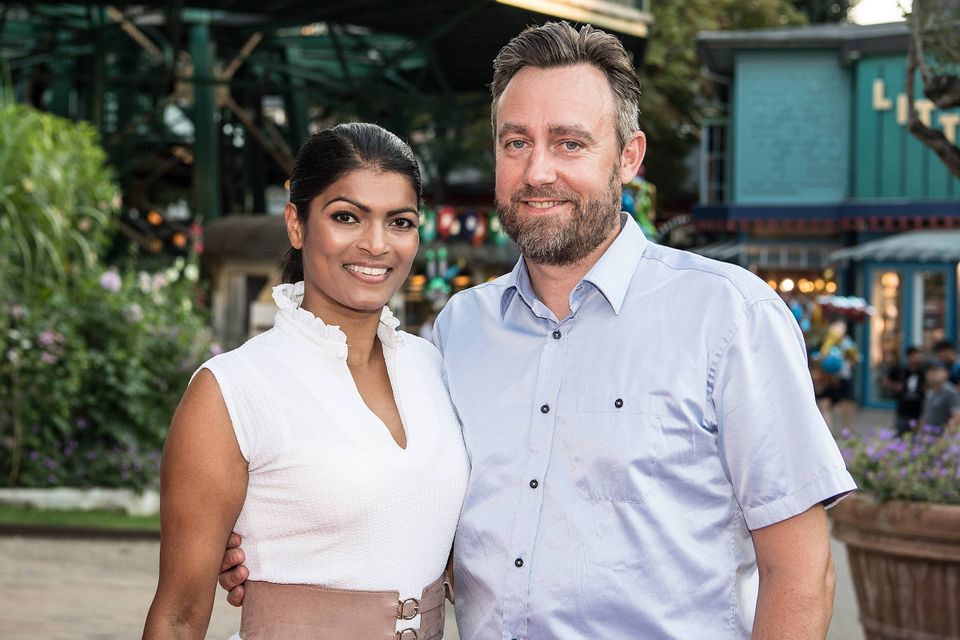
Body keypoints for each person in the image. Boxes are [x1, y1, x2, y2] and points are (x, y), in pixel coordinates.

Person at [220, 22, 854, 638]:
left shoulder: (729, 317)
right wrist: (271, 530)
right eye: (516, 142)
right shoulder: (458, 332)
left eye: (570, 143)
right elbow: (403, 496)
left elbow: (801, 575)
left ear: (628, 157)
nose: (537, 171)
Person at [143, 123, 469, 639]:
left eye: (400, 222)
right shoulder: (232, 390)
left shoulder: (433, 368)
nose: (376, 244)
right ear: (296, 224)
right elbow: (178, 618)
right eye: (346, 217)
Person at [882, 346, 927, 436]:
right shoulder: (900, 370)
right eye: (915, 356)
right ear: (909, 357)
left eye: (919, 356)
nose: (917, 359)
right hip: (903, 412)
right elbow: (885, 382)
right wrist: (894, 386)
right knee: (899, 437)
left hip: (918, 412)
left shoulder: (923, 372)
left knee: (916, 439)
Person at [919, 358, 960, 433]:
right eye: (928, 370)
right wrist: (920, 433)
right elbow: (924, 416)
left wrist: (945, 437)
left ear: (946, 373)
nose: (931, 373)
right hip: (927, 437)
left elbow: (956, 417)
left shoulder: (950, 392)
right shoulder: (929, 392)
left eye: (936, 370)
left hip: (941, 437)